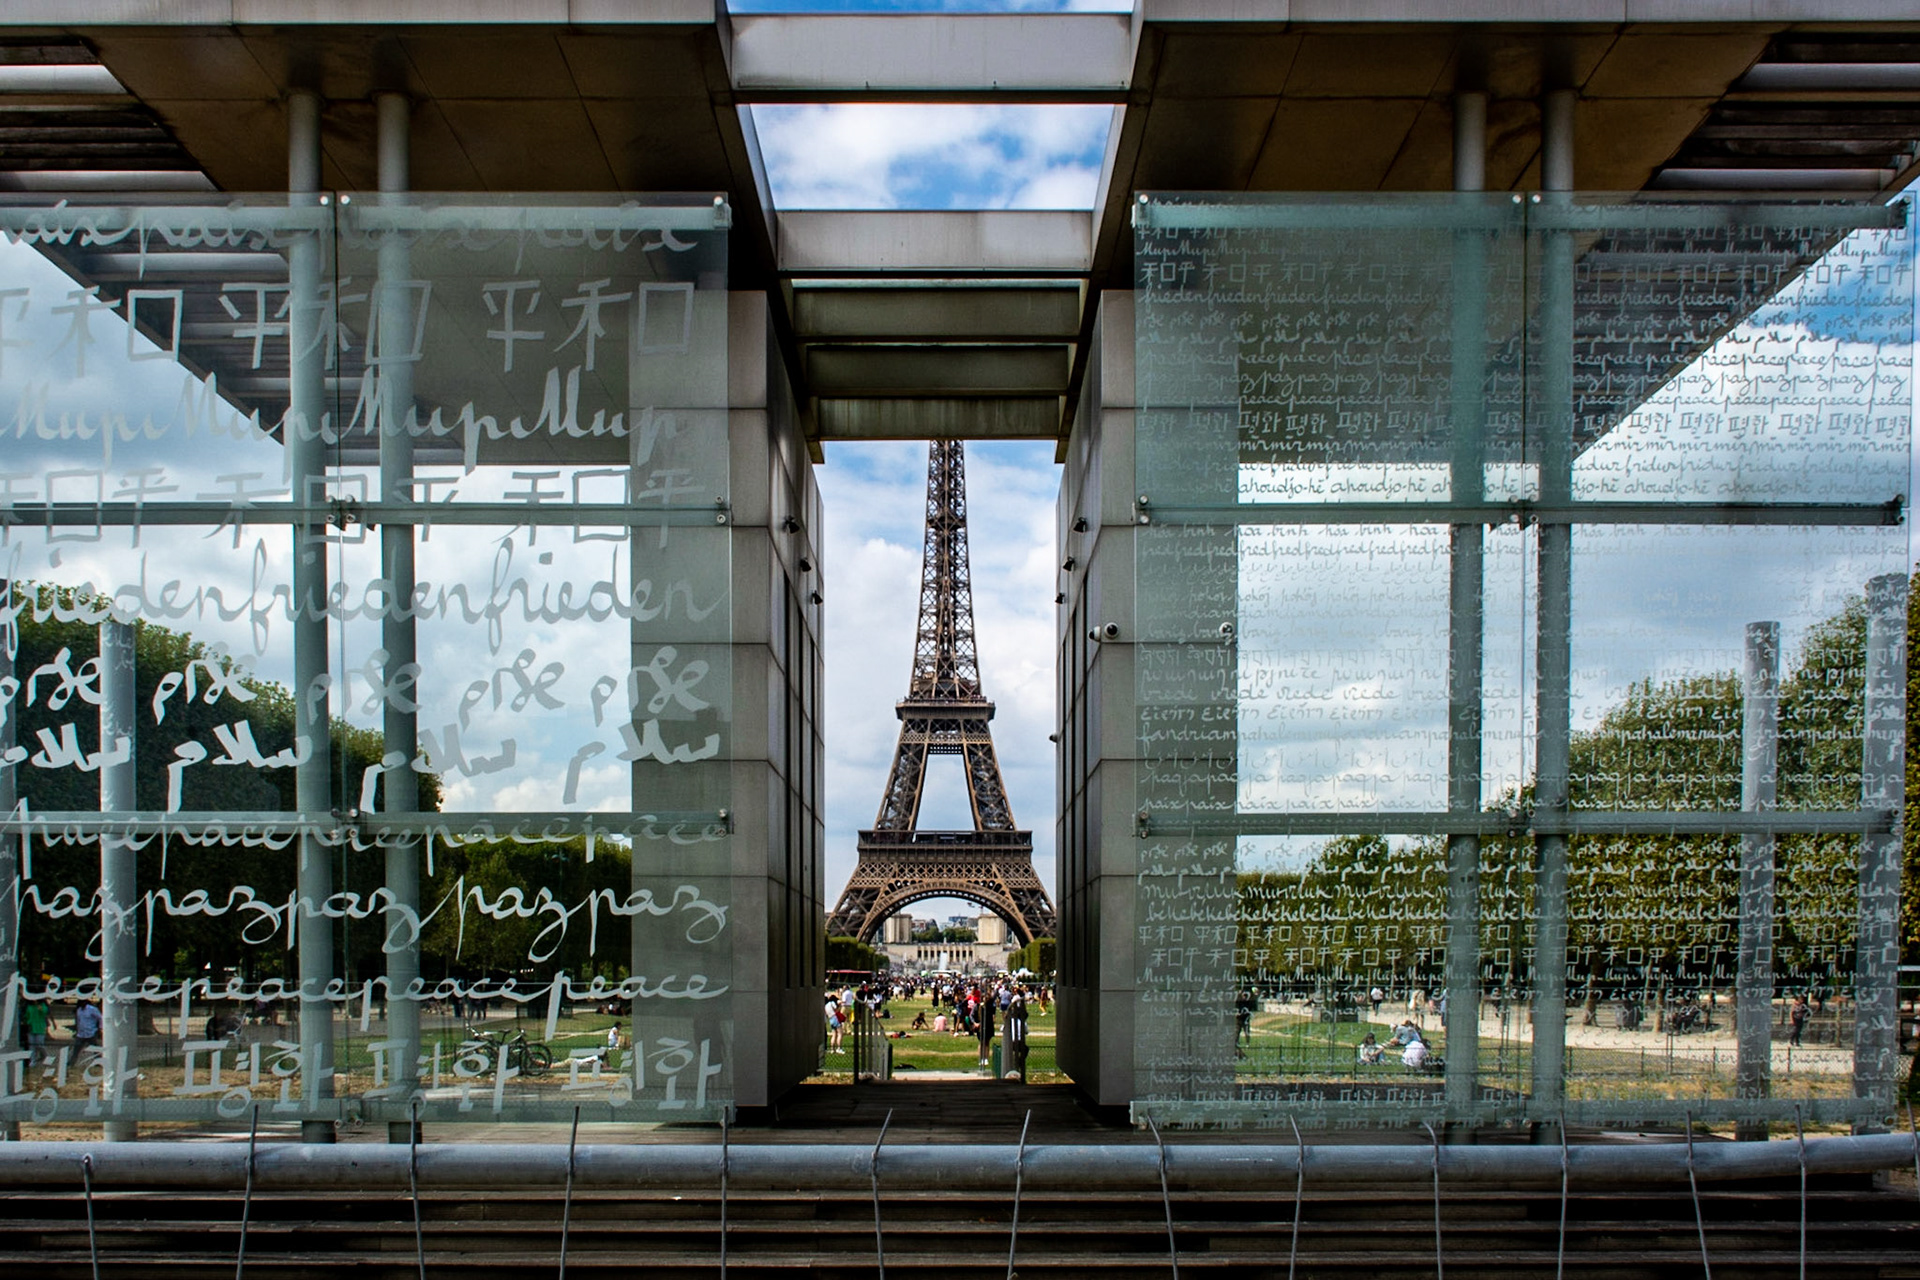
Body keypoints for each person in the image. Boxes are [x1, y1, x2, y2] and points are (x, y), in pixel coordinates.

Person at [1004, 997, 1029, 1080]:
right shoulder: (1023, 1022)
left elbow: (1002, 1029)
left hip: (1012, 1042)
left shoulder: (1010, 1021)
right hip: (1020, 1042)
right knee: (1025, 1049)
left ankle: (1017, 1063)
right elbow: (1026, 1031)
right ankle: (1019, 1062)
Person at [975, 992, 995, 1069]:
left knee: (987, 1042)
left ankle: (986, 1058)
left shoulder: (991, 1007)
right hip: (981, 1026)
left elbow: (993, 1016)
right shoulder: (980, 1006)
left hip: (989, 1026)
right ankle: (981, 1058)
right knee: (981, 1042)